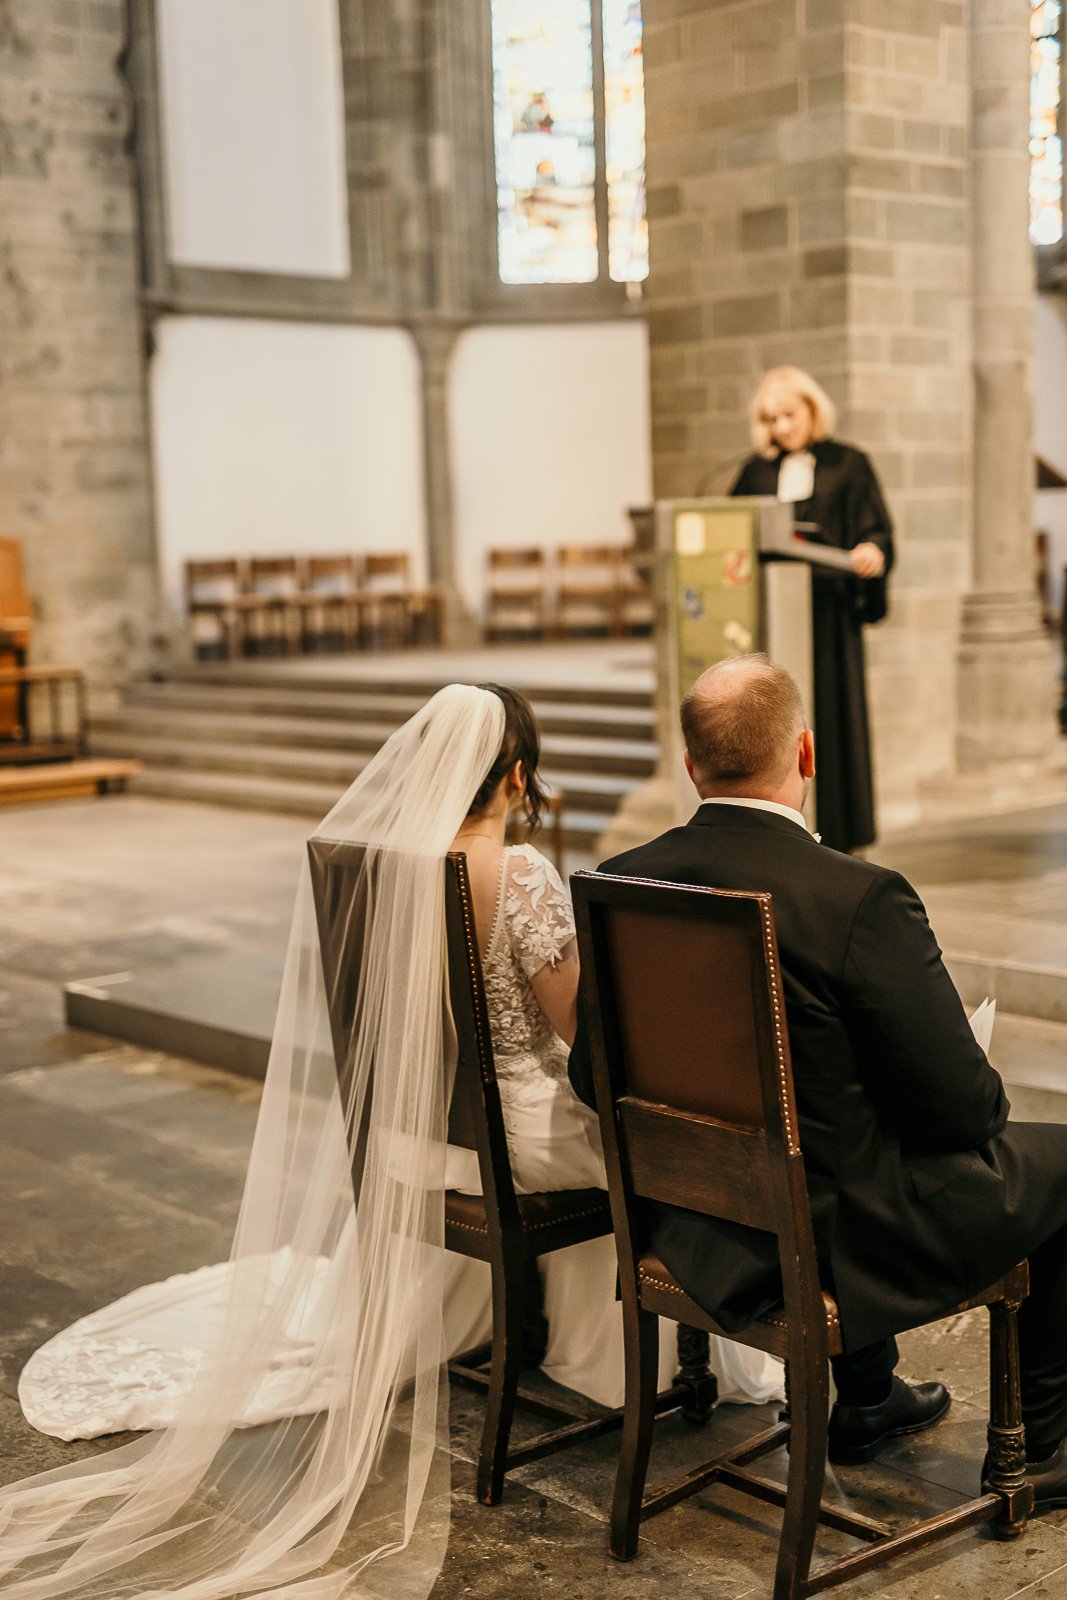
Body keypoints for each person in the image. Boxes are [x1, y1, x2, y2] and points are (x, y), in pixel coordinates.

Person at [1, 683, 778, 1600]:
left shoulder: (380, 866)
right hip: (519, 1142)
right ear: (518, 775)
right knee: (673, 1142)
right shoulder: (517, 872)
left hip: (417, 1138)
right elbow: (582, 1036)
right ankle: (636, 1354)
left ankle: (553, 1333)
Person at [569, 656, 1067, 1496]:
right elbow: (963, 1112)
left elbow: (593, 1077)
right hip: (830, 1232)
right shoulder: (857, 896)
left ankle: (868, 1398)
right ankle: (1046, 1455)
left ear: (691, 765)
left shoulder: (619, 881)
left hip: (698, 1226)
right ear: (805, 753)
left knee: (836, 1128)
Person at [730, 366, 894, 854]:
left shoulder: (849, 464)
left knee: (831, 720)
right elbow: (732, 531)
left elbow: (877, 529)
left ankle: (844, 838)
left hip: (828, 618)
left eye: (789, 415)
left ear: (812, 410)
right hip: (772, 621)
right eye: (771, 418)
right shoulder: (755, 471)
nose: (781, 427)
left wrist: (873, 551)